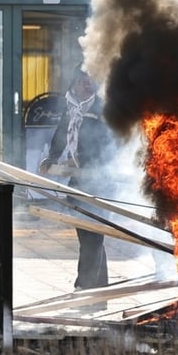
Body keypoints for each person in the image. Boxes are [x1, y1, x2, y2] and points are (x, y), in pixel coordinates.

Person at [39, 66, 116, 291]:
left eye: (90, 80)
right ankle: (98, 289)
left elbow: (107, 143)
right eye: (83, 80)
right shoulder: (71, 105)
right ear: (74, 82)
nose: (87, 84)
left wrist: (83, 159)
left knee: (93, 234)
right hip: (80, 180)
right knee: (88, 235)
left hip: (100, 180)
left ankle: (84, 286)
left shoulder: (102, 107)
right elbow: (63, 133)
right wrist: (52, 157)